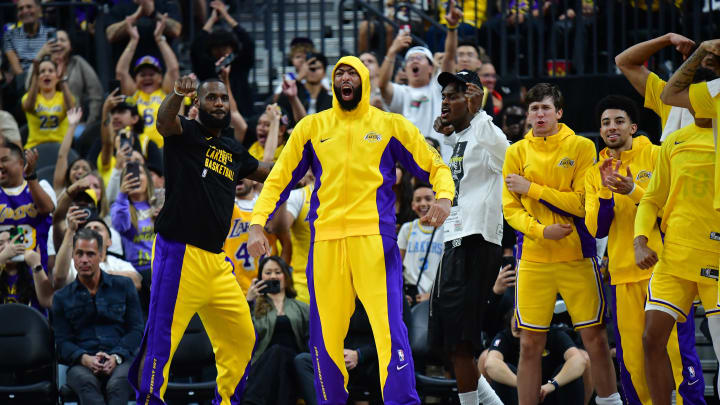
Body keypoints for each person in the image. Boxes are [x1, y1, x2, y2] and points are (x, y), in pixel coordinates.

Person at [248, 55, 454, 404]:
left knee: (389, 329)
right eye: (339, 72)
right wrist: (256, 223)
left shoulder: (390, 124)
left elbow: (434, 163)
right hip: (326, 242)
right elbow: (278, 180)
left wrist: (445, 196)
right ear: (333, 82)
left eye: (352, 73)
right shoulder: (312, 127)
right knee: (325, 334)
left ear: (363, 80)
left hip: (374, 239)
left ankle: (402, 401)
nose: (345, 78)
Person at [128, 75, 273, 404]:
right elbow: (163, 120)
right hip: (180, 254)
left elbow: (268, 170)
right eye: (212, 98)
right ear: (198, 104)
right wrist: (177, 93)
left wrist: (306, 154)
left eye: (223, 98)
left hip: (217, 262)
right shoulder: (185, 133)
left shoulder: (234, 150)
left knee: (242, 337)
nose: (220, 103)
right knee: (161, 340)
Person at [502, 83, 622, 405]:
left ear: (559, 112)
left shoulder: (582, 147)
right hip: (534, 258)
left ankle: (610, 402)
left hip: (577, 256)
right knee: (529, 344)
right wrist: (541, 231)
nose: (539, 114)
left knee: (595, 340)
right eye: (533, 109)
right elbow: (509, 209)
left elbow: (583, 204)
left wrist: (532, 188)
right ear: (527, 114)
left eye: (545, 108)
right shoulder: (515, 152)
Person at [585, 95, 704, 405]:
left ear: (633, 127)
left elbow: (672, 210)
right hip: (622, 275)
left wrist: (633, 190)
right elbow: (596, 228)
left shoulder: (656, 155)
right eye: (606, 123)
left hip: (666, 270)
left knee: (677, 351)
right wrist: (607, 195)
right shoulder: (594, 171)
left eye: (619, 121)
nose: (612, 127)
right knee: (634, 359)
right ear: (600, 131)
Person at [429, 70, 507, 405]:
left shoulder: (487, 131)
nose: (446, 101)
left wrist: (478, 113)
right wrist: (448, 129)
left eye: (454, 95)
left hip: (478, 242)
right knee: (444, 343)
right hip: (453, 242)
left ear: (473, 96)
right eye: (444, 95)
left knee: (461, 343)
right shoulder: (458, 136)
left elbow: (507, 155)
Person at [52, 228, 143, 405]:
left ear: (101, 256)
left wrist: (116, 357)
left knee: (118, 385)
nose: (84, 259)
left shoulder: (124, 286)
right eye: (79, 253)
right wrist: (85, 358)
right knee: (87, 385)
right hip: (81, 363)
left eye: (90, 254)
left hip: (121, 359)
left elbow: (136, 330)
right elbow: (62, 342)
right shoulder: (61, 297)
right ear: (73, 256)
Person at [377, 1, 461, 160]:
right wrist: (393, 50)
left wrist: (452, 29)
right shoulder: (402, 92)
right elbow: (382, 85)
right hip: (411, 163)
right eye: (410, 59)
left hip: (441, 160)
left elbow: (449, 57)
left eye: (420, 58)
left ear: (431, 68)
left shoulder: (439, 88)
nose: (414, 61)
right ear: (405, 69)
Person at [242, 256, 310, 404]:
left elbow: (310, 342)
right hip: (263, 366)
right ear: (260, 278)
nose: (273, 276)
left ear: (286, 276)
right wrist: (248, 301)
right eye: (268, 272)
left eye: (277, 272)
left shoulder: (303, 308)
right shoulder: (254, 310)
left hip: (294, 366)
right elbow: (240, 335)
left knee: (279, 352)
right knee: (276, 353)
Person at [484, 311, 588, 405]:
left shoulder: (554, 334)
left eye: (528, 332)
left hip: (551, 393)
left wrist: (551, 385)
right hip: (519, 395)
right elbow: (491, 364)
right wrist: (524, 384)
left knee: (573, 370)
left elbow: (578, 361)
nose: (524, 338)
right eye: (518, 331)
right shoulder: (505, 337)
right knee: (499, 368)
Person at [615, 32, 701, 141]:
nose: (700, 68)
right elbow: (624, 62)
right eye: (694, 62)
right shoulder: (669, 96)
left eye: (710, 63)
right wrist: (668, 38)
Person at [116, 17, 180, 149]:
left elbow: (173, 70)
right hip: (136, 149)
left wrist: (159, 39)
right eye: (142, 74)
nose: (147, 78)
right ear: (135, 79)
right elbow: (121, 72)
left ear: (161, 78)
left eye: (152, 74)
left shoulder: (166, 92)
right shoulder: (133, 94)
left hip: (165, 148)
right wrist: (133, 41)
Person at [191, 0, 255, 117]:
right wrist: (211, 20)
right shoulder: (208, 68)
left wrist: (226, 16)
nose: (221, 51)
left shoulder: (239, 65)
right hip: (214, 117)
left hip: (242, 115)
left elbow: (248, 43)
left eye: (225, 47)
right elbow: (196, 49)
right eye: (216, 48)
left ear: (232, 48)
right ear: (211, 50)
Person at [26, 30, 103, 124]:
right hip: (45, 124)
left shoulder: (78, 62)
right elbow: (28, 89)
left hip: (75, 124)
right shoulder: (41, 65)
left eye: (62, 40)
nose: (58, 43)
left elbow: (96, 94)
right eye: (54, 41)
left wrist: (90, 124)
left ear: (70, 46)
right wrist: (39, 55)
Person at [53, 211, 141, 290]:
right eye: (87, 229)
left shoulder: (118, 263)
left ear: (109, 242)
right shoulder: (73, 263)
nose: (92, 231)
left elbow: (136, 282)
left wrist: (101, 275)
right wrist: (71, 230)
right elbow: (59, 278)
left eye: (97, 228)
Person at [0, 142, 54, 270]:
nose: (0, 165)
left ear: (20, 163)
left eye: (4, 160)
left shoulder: (42, 186)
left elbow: (47, 209)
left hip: (35, 275)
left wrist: (30, 176)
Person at [397, 182, 444, 304]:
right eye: (418, 200)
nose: (423, 203)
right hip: (411, 295)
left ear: (437, 203)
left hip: (436, 296)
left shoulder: (446, 230)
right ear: (413, 205)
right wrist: (401, 294)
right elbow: (397, 265)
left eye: (428, 199)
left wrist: (434, 295)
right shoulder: (407, 228)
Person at [105, 0, 182, 65]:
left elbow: (176, 30)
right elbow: (111, 35)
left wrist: (153, 13)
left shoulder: (167, 3)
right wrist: (136, 16)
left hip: (162, 71)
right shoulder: (120, 4)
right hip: (128, 72)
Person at [21, 57, 76, 148]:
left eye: (51, 71)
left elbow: (72, 111)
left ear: (57, 77)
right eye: (42, 72)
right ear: (37, 78)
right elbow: (29, 106)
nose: (46, 74)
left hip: (61, 148)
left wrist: (62, 79)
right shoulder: (27, 97)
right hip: (35, 148)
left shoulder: (65, 97)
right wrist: (35, 74)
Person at [0, 230, 53, 309]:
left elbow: (47, 302)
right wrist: (2, 258)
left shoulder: (32, 270)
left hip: (31, 320)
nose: (8, 247)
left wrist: (36, 264)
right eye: (0, 243)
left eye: (11, 241)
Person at [277, 52, 333, 128]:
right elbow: (279, 107)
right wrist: (298, 78)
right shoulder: (294, 93)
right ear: (304, 69)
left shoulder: (330, 99)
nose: (313, 70)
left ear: (324, 73)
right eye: (310, 68)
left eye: (318, 68)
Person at [2, 0, 57, 76]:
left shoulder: (51, 32)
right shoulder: (9, 36)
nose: (25, 11)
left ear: (39, 10)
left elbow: (54, 64)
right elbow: (18, 72)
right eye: (20, 9)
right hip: (22, 82)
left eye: (29, 7)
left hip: (46, 78)